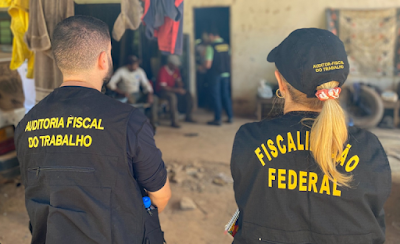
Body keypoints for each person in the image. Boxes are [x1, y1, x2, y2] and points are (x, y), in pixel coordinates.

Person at [14, 16, 171, 244]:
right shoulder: (128, 121)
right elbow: (161, 196)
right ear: (103, 59)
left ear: (60, 60)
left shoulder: (26, 124)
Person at [230, 28, 391, 244]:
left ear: (280, 83)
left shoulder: (249, 140)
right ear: (338, 83)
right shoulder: (369, 149)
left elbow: (246, 205)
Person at [107, 55, 158, 125]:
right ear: (129, 65)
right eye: (135, 64)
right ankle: (137, 122)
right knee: (133, 102)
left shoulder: (140, 71)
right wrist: (121, 92)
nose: (137, 66)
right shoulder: (121, 71)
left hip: (138, 94)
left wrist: (149, 94)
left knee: (154, 99)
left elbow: (146, 84)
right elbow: (110, 84)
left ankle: (153, 123)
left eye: (137, 64)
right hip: (126, 95)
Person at [156, 55, 195, 128]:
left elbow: (178, 80)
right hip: (163, 91)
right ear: (170, 63)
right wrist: (177, 90)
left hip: (173, 89)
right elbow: (163, 87)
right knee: (172, 97)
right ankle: (174, 121)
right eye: (174, 65)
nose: (176, 66)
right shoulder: (163, 70)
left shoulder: (176, 70)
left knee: (188, 94)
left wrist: (180, 85)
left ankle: (188, 116)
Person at [205, 27, 233, 126]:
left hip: (215, 74)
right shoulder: (226, 45)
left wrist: (201, 66)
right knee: (226, 95)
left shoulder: (211, 47)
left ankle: (218, 119)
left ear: (211, 36)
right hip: (226, 73)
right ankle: (230, 117)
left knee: (216, 96)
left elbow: (208, 64)